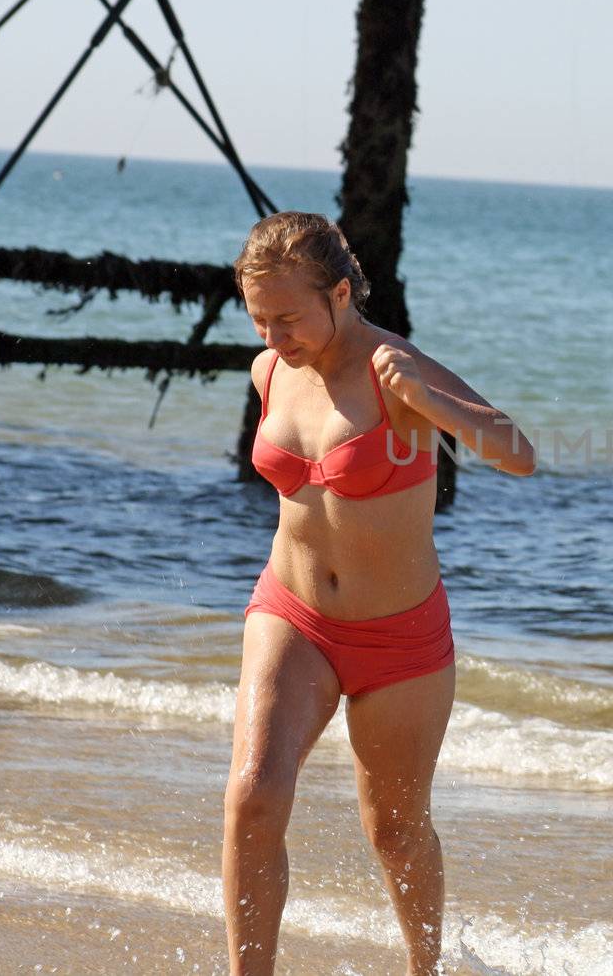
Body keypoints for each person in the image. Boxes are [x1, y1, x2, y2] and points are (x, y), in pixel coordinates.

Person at [222, 211, 534, 975]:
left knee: (394, 829)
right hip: (292, 614)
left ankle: (423, 967)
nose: (272, 337)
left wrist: (434, 405)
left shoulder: (397, 365)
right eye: (259, 318)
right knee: (254, 793)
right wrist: (278, 342)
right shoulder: (271, 372)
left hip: (399, 638)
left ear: (340, 292)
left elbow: (518, 452)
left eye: (287, 318)